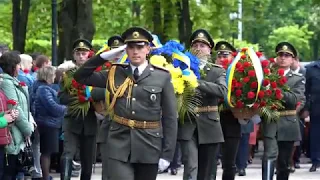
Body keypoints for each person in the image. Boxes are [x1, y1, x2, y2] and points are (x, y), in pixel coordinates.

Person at [73, 26, 178, 180]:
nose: (135, 51)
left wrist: (167, 154)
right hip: (119, 143)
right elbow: (80, 76)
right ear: (125, 50)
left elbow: (170, 117)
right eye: (130, 47)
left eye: (140, 47)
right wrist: (103, 57)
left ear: (148, 49)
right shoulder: (115, 73)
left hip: (149, 144)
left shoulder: (161, 77)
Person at [177, 29, 226, 180]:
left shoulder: (217, 71)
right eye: (195, 45)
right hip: (188, 123)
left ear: (209, 49)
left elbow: (222, 91)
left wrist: (197, 82)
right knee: (190, 167)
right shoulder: (182, 68)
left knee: (207, 171)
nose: (198, 48)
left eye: (202, 45)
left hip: (209, 125)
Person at [262, 42, 305, 180]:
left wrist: (275, 90)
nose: (283, 58)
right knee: (269, 155)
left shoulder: (298, 79)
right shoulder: (267, 77)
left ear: (292, 60)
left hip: (288, 123)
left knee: (284, 162)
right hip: (271, 121)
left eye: (287, 55)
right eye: (280, 54)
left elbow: (294, 99)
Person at [59, 38, 98, 180]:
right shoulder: (67, 75)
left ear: (89, 54)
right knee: (68, 153)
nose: (81, 56)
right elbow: (61, 97)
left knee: (87, 159)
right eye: (78, 53)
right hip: (72, 120)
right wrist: (77, 98)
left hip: (91, 120)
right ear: (74, 55)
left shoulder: (97, 73)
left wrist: (91, 98)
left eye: (84, 53)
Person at [95, 35, 125, 180]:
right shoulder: (105, 71)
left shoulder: (131, 72)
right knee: (107, 172)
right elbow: (92, 91)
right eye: (113, 52)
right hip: (108, 125)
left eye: (119, 52)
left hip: (128, 130)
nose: (116, 56)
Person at [0, 52, 33, 180]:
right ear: (12, 66)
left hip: (18, 132)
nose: (20, 67)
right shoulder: (7, 83)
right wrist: (27, 129)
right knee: (10, 172)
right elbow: (15, 106)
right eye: (18, 64)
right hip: (13, 132)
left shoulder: (14, 81)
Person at [212, 41, 241, 180]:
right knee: (210, 162)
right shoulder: (210, 72)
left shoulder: (238, 74)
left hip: (231, 122)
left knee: (229, 163)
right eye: (219, 55)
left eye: (226, 55)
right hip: (211, 123)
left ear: (232, 57)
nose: (222, 59)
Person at [32, 66, 66, 180]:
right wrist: (66, 109)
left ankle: (46, 176)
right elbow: (52, 107)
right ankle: (45, 177)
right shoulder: (43, 89)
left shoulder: (43, 88)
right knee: (46, 152)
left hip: (48, 123)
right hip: (48, 124)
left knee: (48, 151)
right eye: (53, 75)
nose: (55, 77)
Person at [303, 58, 320, 172]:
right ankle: (315, 161)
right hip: (316, 108)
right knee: (315, 136)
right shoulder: (311, 68)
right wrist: (306, 108)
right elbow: (306, 91)